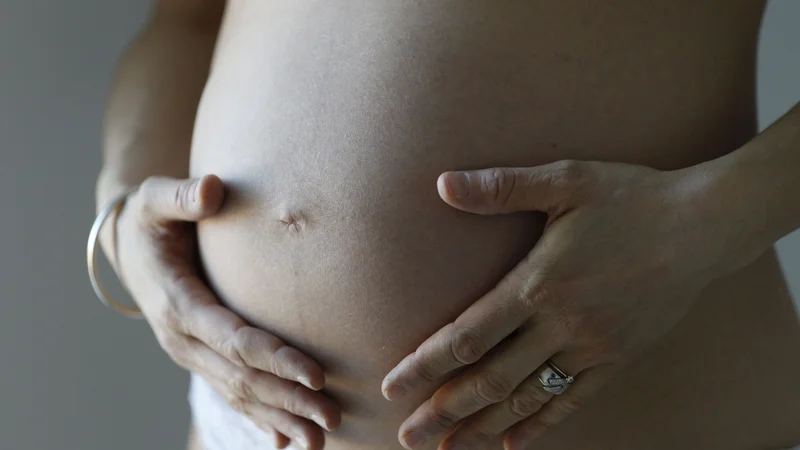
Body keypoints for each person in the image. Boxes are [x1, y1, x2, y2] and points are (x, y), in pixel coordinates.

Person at [92, 0, 800, 449]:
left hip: (638, 416)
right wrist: (122, 211)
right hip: (245, 427)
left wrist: (709, 220)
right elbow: (187, 21)